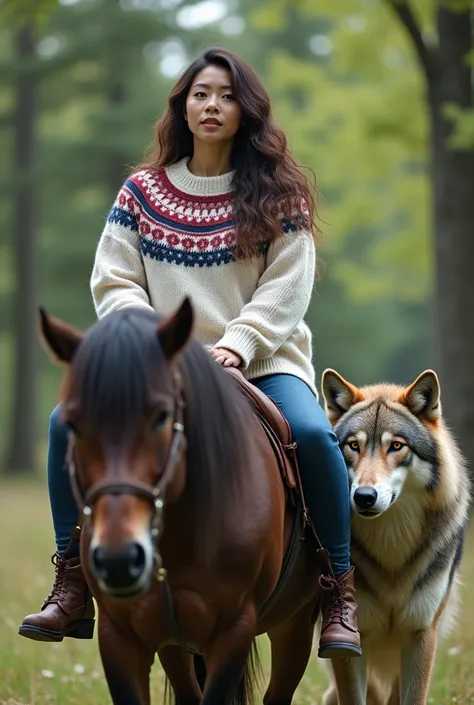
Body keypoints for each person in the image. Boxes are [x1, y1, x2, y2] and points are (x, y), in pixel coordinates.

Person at [19, 47, 360, 658]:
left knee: (311, 435)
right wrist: (155, 346)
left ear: (246, 111)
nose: (213, 105)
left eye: (227, 95)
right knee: (62, 426)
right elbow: (113, 279)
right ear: (183, 106)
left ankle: (339, 589)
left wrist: (237, 344)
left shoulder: (281, 195)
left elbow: (288, 287)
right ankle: (71, 578)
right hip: (161, 365)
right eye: (201, 93)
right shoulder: (142, 192)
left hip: (261, 362)